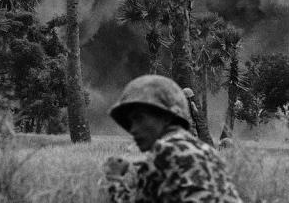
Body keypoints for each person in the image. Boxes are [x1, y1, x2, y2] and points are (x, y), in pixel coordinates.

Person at [104, 74, 243, 202]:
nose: (132, 129)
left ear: (165, 117)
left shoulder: (162, 153)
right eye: (130, 122)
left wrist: (114, 178)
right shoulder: (208, 152)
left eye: (139, 118)